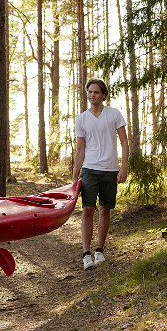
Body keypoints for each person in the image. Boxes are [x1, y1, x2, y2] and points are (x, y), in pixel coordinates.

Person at [71, 78, 129, 271]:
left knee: (105, 210)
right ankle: (86, 254)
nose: (92, 95)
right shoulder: (81, 119)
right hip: (90, 170)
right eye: (89, 92)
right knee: (88, 210)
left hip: (110, 170)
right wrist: (74, 176)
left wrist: (124, 167)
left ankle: (99, 251)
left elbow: (124, 142)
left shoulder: (114, 114)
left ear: (103, 94)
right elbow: (80, 150)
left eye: (96, 92)